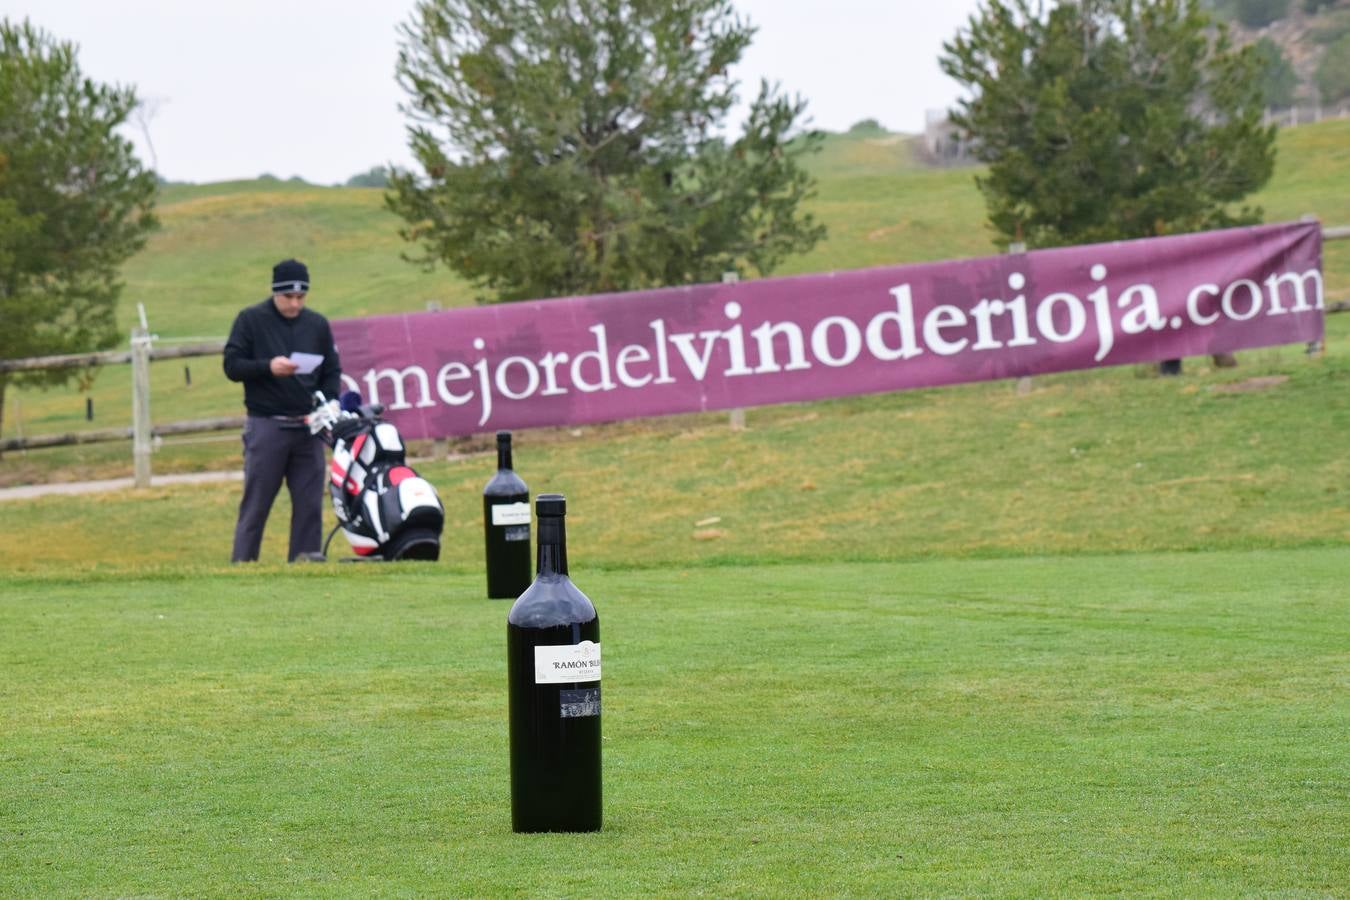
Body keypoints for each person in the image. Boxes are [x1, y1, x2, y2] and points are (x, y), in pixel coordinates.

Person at [223, 259, 341, 562]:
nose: (295, 303)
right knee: (257, 503)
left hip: (308, 427)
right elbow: (232, 366)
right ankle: (243, 567)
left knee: (309, 504)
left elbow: (331, 370)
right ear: (276, 293)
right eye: (288, 297)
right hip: (267, 425)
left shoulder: (317, 324)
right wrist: (267, 367)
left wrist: (327, 403)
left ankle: (305, 565)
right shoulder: (250, 320)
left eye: (301, 297)